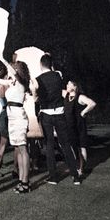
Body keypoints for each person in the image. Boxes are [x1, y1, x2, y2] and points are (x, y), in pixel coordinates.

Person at [37, 53, 81, 185]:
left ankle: (53, 176)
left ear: (40, 65)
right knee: (65, 144)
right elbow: (56, 71)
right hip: (59, 112)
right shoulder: (58, 75)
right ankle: (75, 175)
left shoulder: (38, 79)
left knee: (49, 145)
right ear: (51, 64)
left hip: (46, 113)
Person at [0, 59, 34, 194]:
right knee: (18, 148)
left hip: (19, 117)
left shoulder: (21, 83)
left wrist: (1, 57)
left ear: (19, 71)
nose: (11, 70)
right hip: (11, 117)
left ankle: (26, 182)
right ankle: (21, 180)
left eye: (14, 68)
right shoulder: (11, 83)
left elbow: (12, 71)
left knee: (22, 148)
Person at [63, 80, 97, 175]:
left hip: (78, 125)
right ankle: (74, 167)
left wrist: (83, 112)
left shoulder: (80, 97)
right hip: (69, 126)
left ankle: (81, 169)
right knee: (72, 147)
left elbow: (92, 103)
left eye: (69, 84)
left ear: (74, 86)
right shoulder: (66, 95)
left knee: (81, 147)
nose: (67, 85)